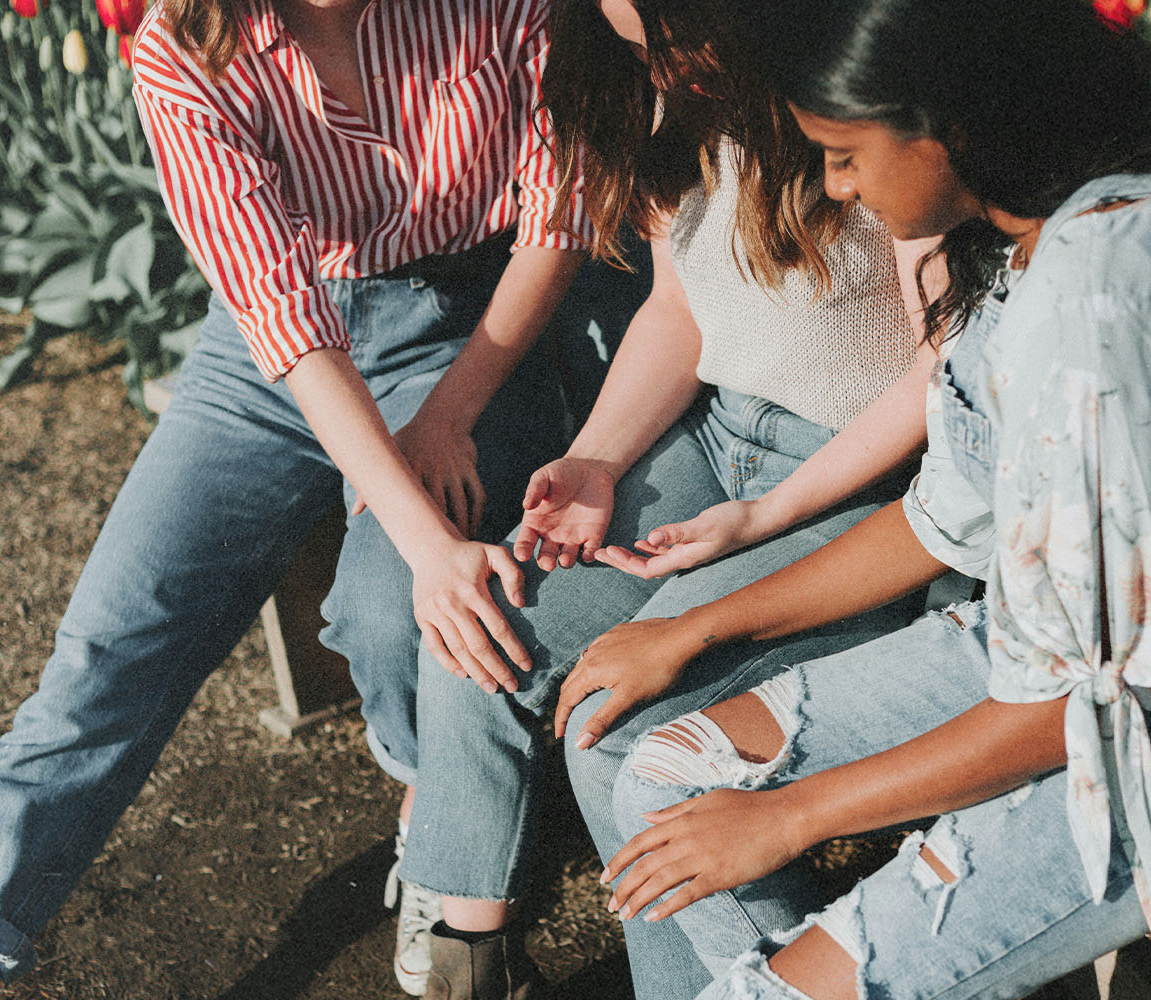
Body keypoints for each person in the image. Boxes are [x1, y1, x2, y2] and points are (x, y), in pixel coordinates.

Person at [589, 0, 1151, 997]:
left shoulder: (1108, 301)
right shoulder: (1017, 233)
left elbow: (1068, 712)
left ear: (955, 117)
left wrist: (792, 815)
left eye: (844, 150)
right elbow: (937, 522)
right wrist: (695, 628)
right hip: (1030, 656)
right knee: (663, 774)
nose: (835, 183)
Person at [0, 0, 599, 993]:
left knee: (394, 609)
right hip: (268, 352)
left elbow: (562, 210)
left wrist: (449, 419)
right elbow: (283, 318)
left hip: (465, 333)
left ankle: (436, 811)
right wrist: (425, 534)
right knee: (112, 647)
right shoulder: (180, 50)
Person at [317, 0, 970, 995]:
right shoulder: (672, 107)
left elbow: (940, 371)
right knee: (480, 631)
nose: (664, 64)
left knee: (616, 726)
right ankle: (467, 962)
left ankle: (758, 976)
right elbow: (680, 311)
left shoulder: (853, 111)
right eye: (630, 43)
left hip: (855, 483)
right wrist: (597, 461)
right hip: (713, 444)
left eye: (673, 33)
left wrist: (770, 513)